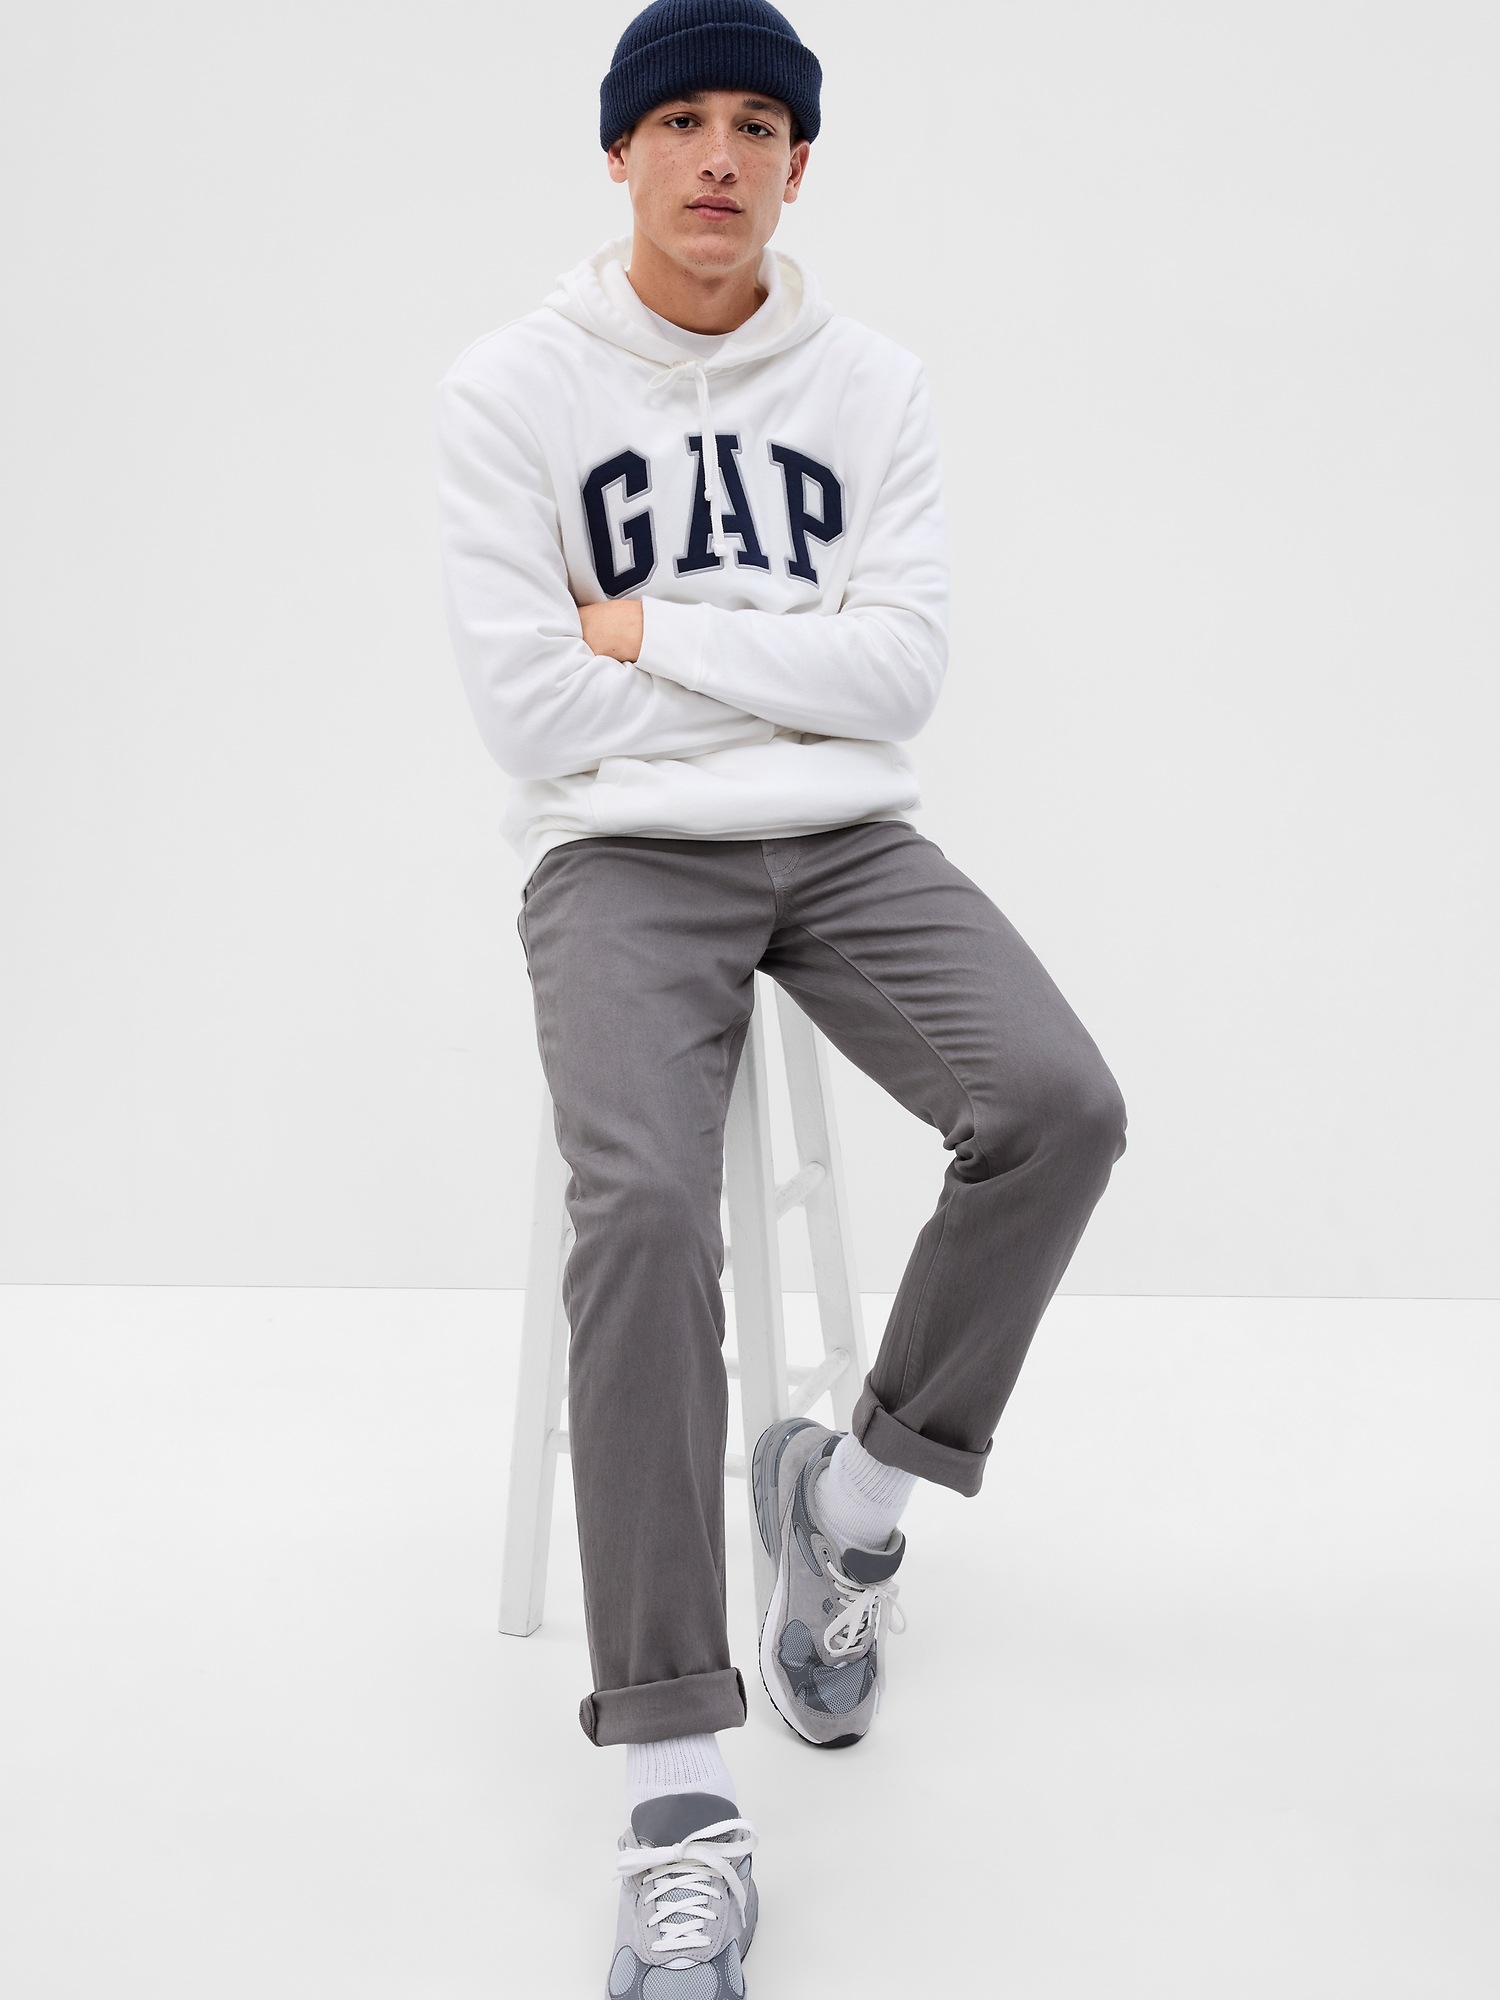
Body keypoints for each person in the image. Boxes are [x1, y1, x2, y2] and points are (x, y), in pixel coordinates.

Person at [434, 2, 1127, 1990]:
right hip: (616, 855)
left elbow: (899, 674)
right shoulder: (508, 391)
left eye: (759, 125)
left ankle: (849, 1497)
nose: (720, 156)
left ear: (801, 164)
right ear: (621, 154)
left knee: (1059, 1106)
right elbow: (528, 709)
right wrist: (772, 661)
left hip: (845, 841)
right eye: (681, 123)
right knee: (647, 1213)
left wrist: (644, 625)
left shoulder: (872, 384)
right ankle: (678, 1794)